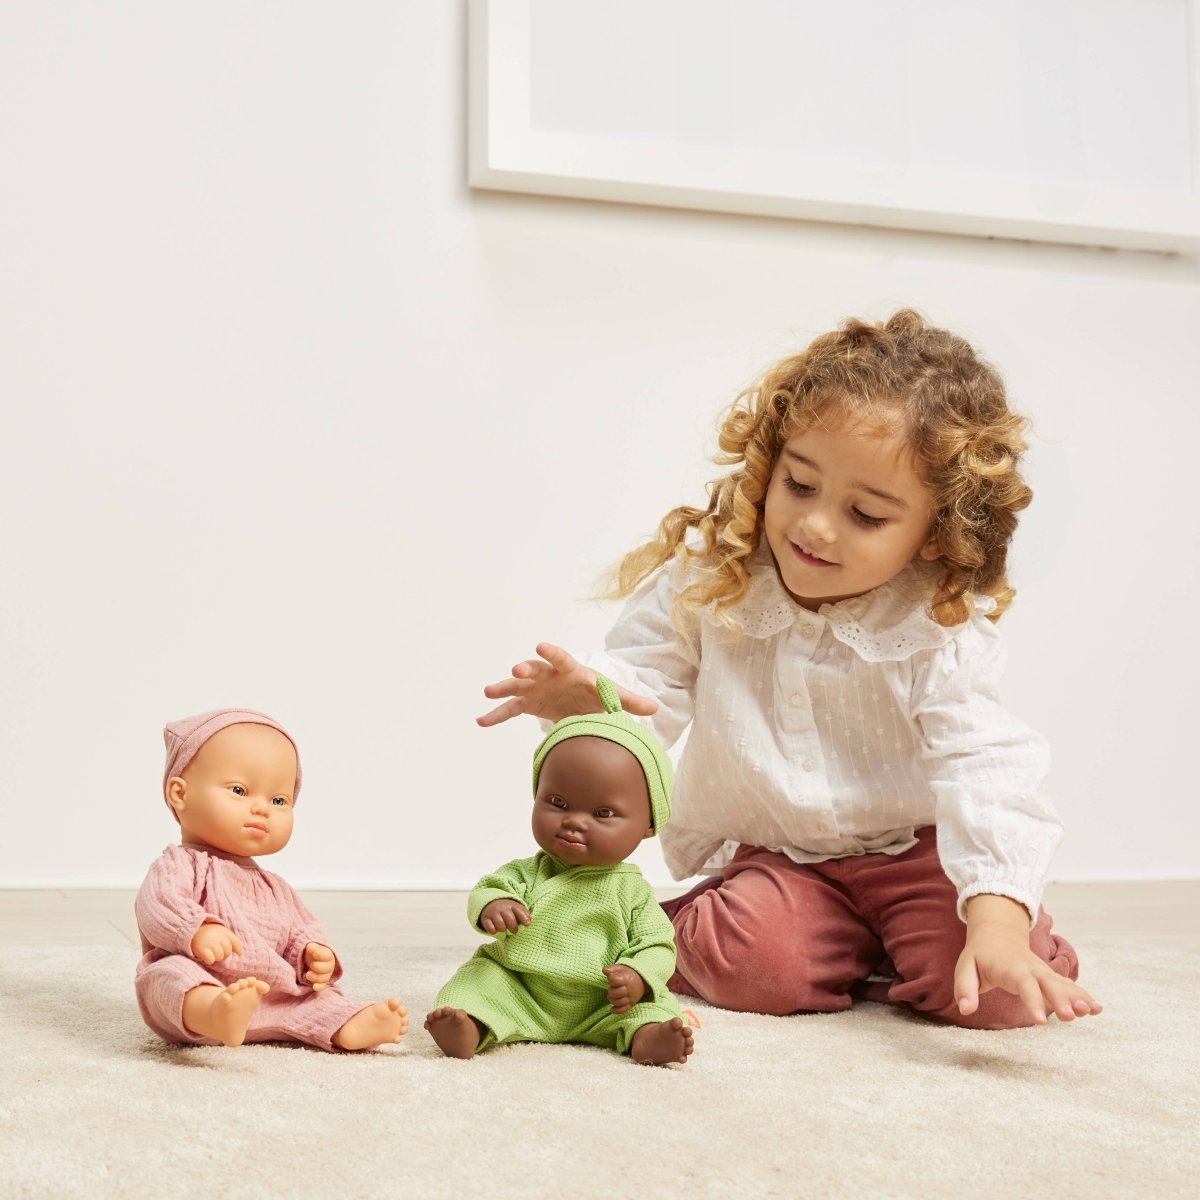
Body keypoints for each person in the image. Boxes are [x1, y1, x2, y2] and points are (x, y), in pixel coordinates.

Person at [477, 310, 1102, 1031]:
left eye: (866, 515)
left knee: (993, 993)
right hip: (786, 860)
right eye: (799, 485)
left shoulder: (936, 628)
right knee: (759, 970)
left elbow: (984, 768)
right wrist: (588, 696)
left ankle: (916, 942)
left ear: (936, 536)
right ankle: (662, 930)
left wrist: (995, 921)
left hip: (920, 854)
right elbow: (649, 689)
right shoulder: (710, 580)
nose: (814, 526)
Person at [426, 677, 695, 1065]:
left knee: (654, 1007)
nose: (574, 822)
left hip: (603, 1003)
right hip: (522, 987)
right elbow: (488, 889)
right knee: (478, 982)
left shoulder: (633, 893)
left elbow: (656, 946)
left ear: (649, 824)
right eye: (557, 802)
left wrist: (636, 976)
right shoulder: (529, 872)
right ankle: (470, 1025)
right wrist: (494, 906)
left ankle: (650, 1038)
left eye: (603, 813)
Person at [135, 708, 409, 1051]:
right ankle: (215, 1013)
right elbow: (158, 904)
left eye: (279, 800)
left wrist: (313, 953)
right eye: (239, 790)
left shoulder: (274, 886)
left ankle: (350, 1025)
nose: (262, 809)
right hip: (203, 979)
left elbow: (299, 928)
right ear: (180, 793)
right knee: (169, 976)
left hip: (275, 996)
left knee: (319, 998)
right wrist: (196, 929)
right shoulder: (179, 863)